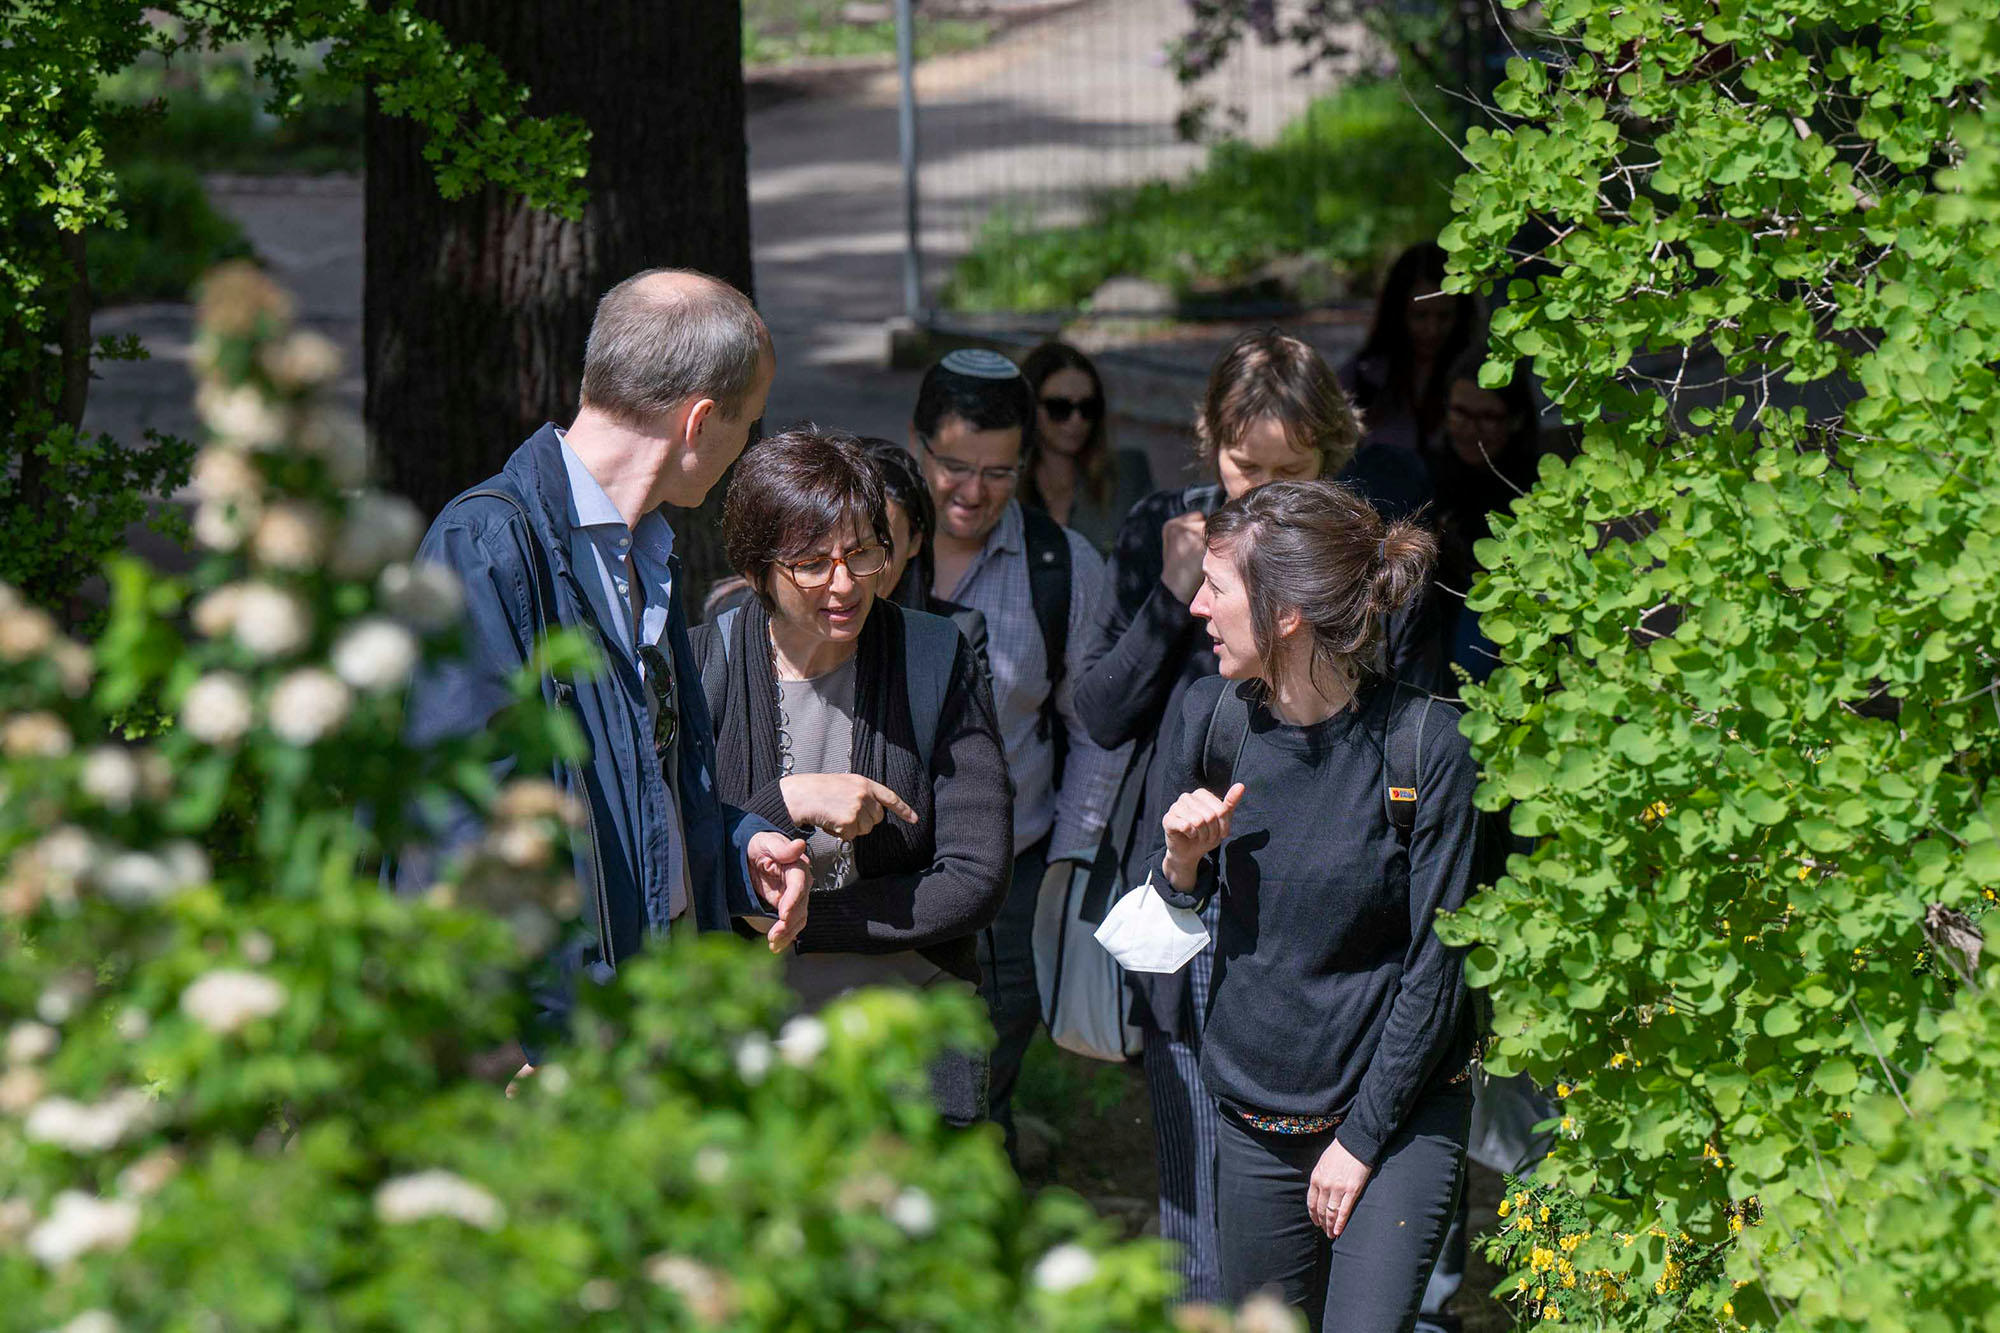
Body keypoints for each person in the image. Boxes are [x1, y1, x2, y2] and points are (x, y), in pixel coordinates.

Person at [1072, 328, 1427, 1303]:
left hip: (1328, 901)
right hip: (1187, 883)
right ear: (1206, 442)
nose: (1258, 493)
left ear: (1329, 457)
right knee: (1200, 1202)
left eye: (1288, 470)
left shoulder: (1346, 558)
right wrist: (1179, 588)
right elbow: (1098, 711)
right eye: (1241, 468)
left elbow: (1393, 723)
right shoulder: (1164, 533)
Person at [402, 268, 812, 1063]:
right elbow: (447, 826)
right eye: (748, 424)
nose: (745, 448)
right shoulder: (486, 548)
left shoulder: (647, 554)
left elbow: (625, 790)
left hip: (633, 1035)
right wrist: (509, 1044)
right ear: (698, 422)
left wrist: (733, 848)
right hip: (534, 1057)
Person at [1146, 479, 1496, 1332]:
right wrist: (1180, 867)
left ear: (1289, 611)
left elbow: (1437, 970)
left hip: (1397, 1114)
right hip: (1255, 1118)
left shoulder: (1427, 746)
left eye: (1218, 588)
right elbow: (1159, 938)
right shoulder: (1214, 721)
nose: (1196, 606)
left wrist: (1360, 1141)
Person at [688, 428, 1013, 1125]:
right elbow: (678, 855)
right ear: (754, 571)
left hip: (910, 1040)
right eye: (811, 563)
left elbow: (976, 878)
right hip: (749, 1041)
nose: (844, 583)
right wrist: (788, 799)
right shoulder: (701, 666)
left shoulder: (935, 656)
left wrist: (806, 921)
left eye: (862, 552)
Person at [910, 347, 1128, 1158]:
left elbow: (1094, 728)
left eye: (998, 473)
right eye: (954, 466)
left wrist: (1065, 864)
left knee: (983, 1070)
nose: (972, 492)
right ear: (917, 444)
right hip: (885, 876)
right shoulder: (866, 547)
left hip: (1011, 874)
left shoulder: (1063, 566)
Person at [1424, 350, 1541, 692]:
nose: (1471, 430)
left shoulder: (1533, 488)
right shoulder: (1428, 474)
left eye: (1488, 417)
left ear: (1515, 419)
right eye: (1460, 413)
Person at [858, 434, 991, 681]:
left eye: (882, 546)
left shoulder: (954, 638)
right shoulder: (791, 629)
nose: (864, 570)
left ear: (914, 542)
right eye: (853, 550)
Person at [1340, 243, 1480, 454]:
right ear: (1398, 313)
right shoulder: (1362, 378)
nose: (1432, 330)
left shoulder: (1480, 378)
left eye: (1444, 316)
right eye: (1419, 315)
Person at [1019, 340, 1154, 553]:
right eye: (1059, 408)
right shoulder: (1005, 482)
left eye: (1088, 407)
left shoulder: (1127, 475)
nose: (1076, 420)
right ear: (1030, 407)